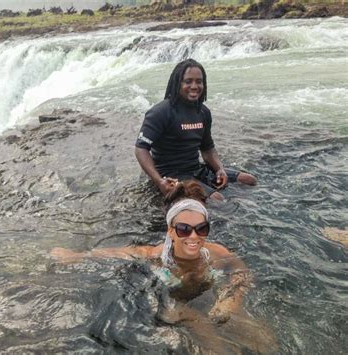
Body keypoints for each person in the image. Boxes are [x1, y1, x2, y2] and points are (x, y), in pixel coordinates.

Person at [51, 182, 274, 352]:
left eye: (201, 228)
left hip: (207, 295)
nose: (193, 237)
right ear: (170, 231)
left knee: (262, 338)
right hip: (175, 307)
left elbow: (241, 271)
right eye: (184, 229)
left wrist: (231, 300)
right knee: (206, 335)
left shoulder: (216, 252)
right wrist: (76, 255)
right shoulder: (156, 256)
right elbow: (117, 253)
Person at [135, 58, 257, 200]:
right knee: (217, 199)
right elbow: (141, 149)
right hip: (171, 175)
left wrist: (219, 169)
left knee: (249, 180)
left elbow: (207, 148)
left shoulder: (203, 112)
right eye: (188, 81)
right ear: (177, 83)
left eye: (199, 81)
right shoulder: (160, 112)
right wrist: (159, 181)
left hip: (196, 169)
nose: (194, 86)